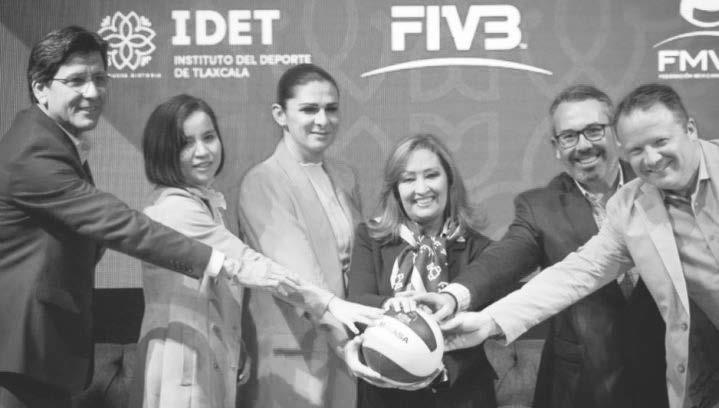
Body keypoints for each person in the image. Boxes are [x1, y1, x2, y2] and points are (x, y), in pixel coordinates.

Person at [0, 26, 254, 408]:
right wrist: (215, 260)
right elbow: (118, 224)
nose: (92, 92)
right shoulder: (33, 149)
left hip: (41, 353)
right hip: (19, 350)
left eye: (100, 78)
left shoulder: (57, 142)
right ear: (40, 88)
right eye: (76, 81)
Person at [442, 83, 719, 408]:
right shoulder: (630, 206)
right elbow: (576, 273)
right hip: (677, 382)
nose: (652, 159)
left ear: (690, 129)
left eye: (661, 141)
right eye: (637, 150)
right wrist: (487, 320)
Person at [131, 94, 380, 408]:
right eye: (186, 143)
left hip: (208, 355)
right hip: (183, 364)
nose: (203, 152)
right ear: (163, 151)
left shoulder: (205, 203)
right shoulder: (176, 209)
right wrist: (328, 302)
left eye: (209, 137)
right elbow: (248, 265)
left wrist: (238, 346)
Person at [234, 63, 364, 408]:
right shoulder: (263, 181)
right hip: (293, 352)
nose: (323, 120)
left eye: (331, 109)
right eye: (309, 109)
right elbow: (296, 276)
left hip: (346, 346)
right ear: (280, 114)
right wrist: (345, 335)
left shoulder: (345, 176)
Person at [346, 133, 497, 407]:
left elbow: (484, 322)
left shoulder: (480, 248)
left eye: (431, 175)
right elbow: (358, 302)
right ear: (395, 189)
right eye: (408, 179)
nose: (421, 188)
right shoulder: (370, 237)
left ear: (449, 181)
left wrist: (437, 370)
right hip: (384, 391)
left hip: (460, 392)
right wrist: (395, 307)